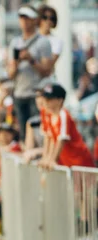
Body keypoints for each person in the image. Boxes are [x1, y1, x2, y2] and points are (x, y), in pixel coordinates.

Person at [7, 5, 53, 140]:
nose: (24, 21)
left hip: (36, 95)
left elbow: (47, 71)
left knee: (38, 133)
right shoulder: (15, 42)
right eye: (22, 18)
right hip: (19, 93)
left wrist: (31, 60)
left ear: (34, 20)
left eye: (27, 18)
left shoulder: (43, 42)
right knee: (23, 134)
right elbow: (10, 73)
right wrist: (16, 64)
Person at [38, 83, 95, 169]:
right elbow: (51, 139)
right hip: (67, 162)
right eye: (45, 99)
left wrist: (53, 160)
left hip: (79, 160)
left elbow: (62, 140)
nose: (45, 102)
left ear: (60, 100)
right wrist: (47, 158)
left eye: (49, 99)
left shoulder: (63, 115)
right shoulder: (49, 116)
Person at [37, 5, 62, 78]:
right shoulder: (31, 37)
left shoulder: (57, 41)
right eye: (45, 17)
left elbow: (48, 65)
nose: (48, 21)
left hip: (46, 80)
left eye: (52, 18)